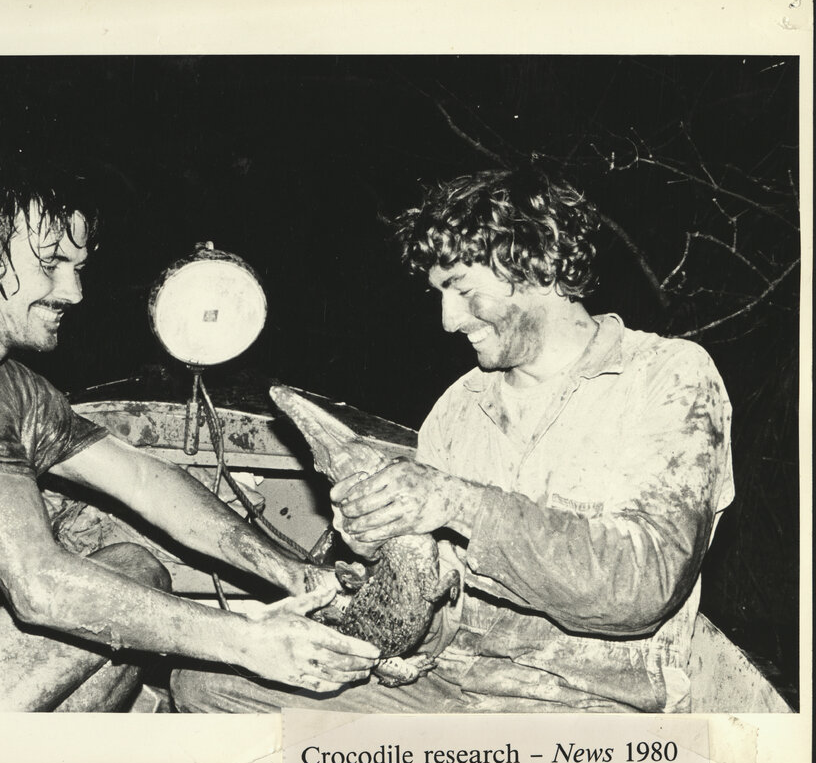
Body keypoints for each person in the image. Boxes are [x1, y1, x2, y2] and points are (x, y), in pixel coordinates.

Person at [172, 167, 735, 713]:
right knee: (207, 683)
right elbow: (436, 613)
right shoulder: (458, 409)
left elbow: (643, 588)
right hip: (446, 688)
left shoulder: (667, 376)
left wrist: (458, 501)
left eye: (462, 290)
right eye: (439, 293)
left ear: (536, 264)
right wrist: (385, 555)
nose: (447, 319)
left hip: (579, 703)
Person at [0, 164, 380, 712]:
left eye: (79, 267)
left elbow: (144, 479)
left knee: (131, 566)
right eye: (50, 265)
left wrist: (294, 573)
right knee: (130, 584)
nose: (74, 291)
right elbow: (38, 585)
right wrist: (248, 641)